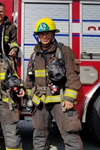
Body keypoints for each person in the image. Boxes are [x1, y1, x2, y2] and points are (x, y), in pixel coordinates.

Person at [24, 17, 83, 150]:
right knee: (39, 135)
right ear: (37, 35)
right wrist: (28, 98)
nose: (44, 36)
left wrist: (69, 98)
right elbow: (29, 79)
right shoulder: (34, 55)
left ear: (53, 33)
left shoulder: (64, 51)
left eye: (48, 32)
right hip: (40, 102)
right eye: (41, 33)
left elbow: (73, 77)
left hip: (59, 101)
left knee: (69, 133)